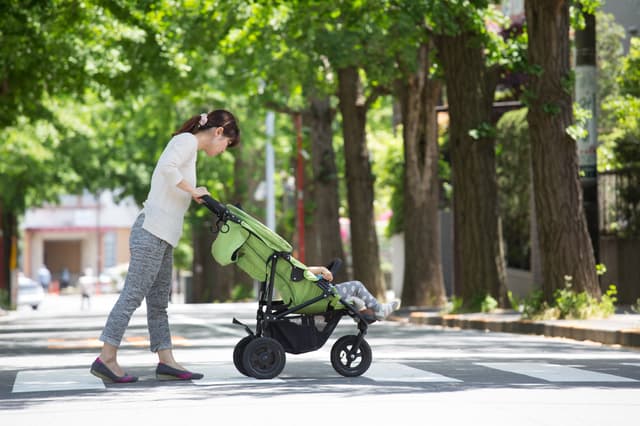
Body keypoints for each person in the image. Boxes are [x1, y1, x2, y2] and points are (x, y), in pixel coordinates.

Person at [91, 110, 240, 384]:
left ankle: (166, 360)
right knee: (132, 296)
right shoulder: (186, 141)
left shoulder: (190, 150)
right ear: (219, 132)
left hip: (163, 235)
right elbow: (166, 168)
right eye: (226, 144)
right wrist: (192, 190)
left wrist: (193, 191)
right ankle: (107, 357)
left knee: (159, 304)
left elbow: (173, 179)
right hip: (151, 230)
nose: (223, 150)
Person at [306, 266, 400, 320]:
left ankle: (366, 313)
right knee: (356, 286)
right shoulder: (291, 268)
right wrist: (322, 269)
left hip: (315, 296)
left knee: (353, 298)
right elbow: (303, 270)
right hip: (322, 296)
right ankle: (379, 309)